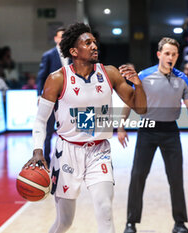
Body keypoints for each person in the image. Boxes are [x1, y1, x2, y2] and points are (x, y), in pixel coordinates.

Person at [23, 23, 147, 233]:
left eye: (94, 42)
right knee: (65, 222)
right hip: (67, 153)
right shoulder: (57, 79)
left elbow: (141, 109)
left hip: (99, 151)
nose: (94, 45)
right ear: (74, 51)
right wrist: (37, 151)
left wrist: (139, 85)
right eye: (87, 42)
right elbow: (40, 120)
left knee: (105, 211)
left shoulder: (110, 73)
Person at [118, 37, 188, 233]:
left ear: (177, 56)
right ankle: (131, 223)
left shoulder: (182, 79)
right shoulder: (144, 76)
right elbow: (130, 101)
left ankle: (180, 223)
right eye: (167, 53)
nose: (170, 57)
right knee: (138, 176)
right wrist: (121, 127)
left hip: (170, 131)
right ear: (159, 55)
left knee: (176, 178)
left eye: (174, 54)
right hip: (147, 129)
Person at [36, 27, 68, 168]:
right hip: (51, 98)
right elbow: (41, 76)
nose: (62, 39)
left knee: (68, 131)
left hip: (67, 100)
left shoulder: (73, 55)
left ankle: (66, 160)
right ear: (55, 38)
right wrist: (39, 94)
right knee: (48, 131)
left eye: (65, 37)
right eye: (60, 37)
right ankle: (46, 160)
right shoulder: (48, 55)